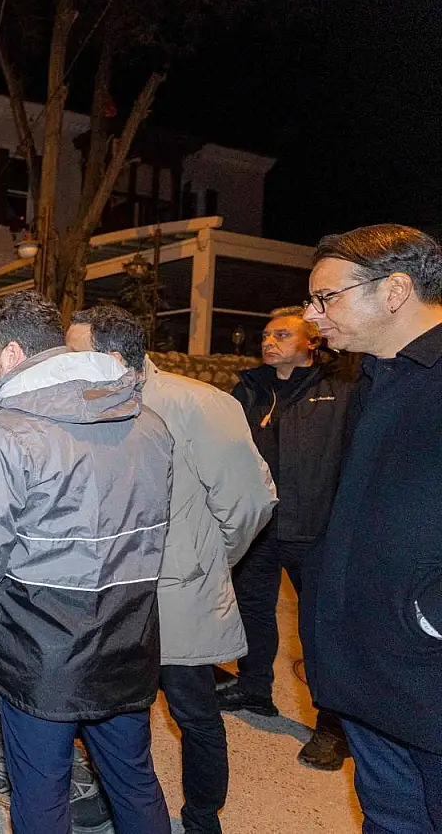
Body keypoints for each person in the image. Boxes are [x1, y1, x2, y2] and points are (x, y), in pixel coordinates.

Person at [0, 290, 174, 834]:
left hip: (41, 654)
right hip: (128, 640)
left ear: (14, 354)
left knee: (40, 792)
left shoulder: (7, 433)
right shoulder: (149, 422)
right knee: (134, 782)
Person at [68, 305, 276, 834]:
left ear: (114, 358)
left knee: (193, 712)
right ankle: (123, 800)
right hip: (109, 594)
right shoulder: (84, 406)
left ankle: (202, 816)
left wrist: (206, 560)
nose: (64, 365)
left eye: (74, 354)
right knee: (113, 712)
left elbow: (249, 502)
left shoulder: (199, 404)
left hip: (175, 594)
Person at [300, 224, 442, 833]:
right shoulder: (376, 379)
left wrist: (428, 617)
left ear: (395, 291)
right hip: (368, 672)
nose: (311, 316)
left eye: (325, 297)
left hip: (427, 673)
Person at [219, 306, 359, 770]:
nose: (269, 341)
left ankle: (333, 726)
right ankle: (254, 687)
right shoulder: (249, 389)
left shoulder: (341, 390)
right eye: (265, 334)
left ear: (312, 343)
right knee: (253, 608)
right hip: (261, 523)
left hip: (316, 526)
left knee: (318, 627)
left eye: (282, 334)